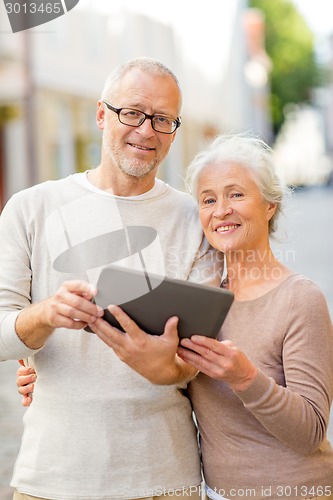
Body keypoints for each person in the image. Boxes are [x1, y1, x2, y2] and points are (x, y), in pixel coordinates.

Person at [54, 134, 333, 500]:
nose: (220, 211)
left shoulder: (300, 298)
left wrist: (245, 377)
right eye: (208, 200)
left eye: (236, 194)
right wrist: (37, 370)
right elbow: (162, 377)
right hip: (217, 493)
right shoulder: (194, 300)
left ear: (269, 204)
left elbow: (310, 431)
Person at [0, 57, 223, 500]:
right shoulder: (30, 208)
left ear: (175, 131)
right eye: (132, 113)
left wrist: (167, 365)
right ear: (102, 115)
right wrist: (44, 316)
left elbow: (200, 360)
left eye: (163, 120)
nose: (146, 131)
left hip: (162, 477)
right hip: (52, 477)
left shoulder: (196, 218)